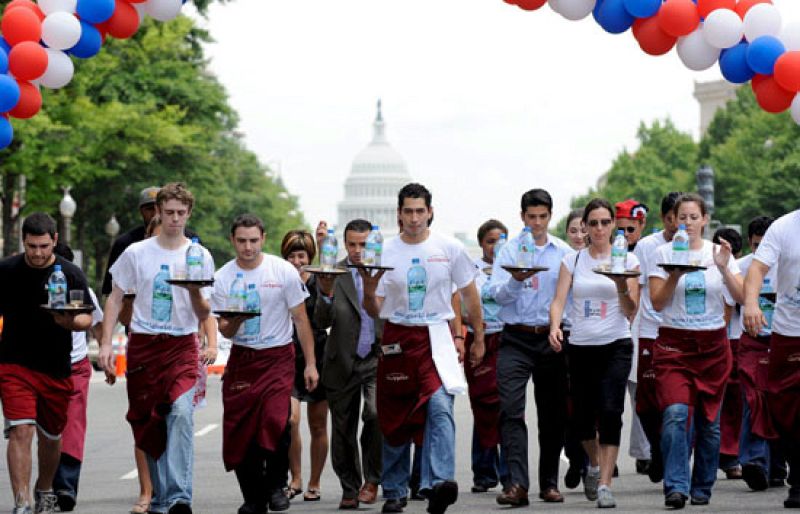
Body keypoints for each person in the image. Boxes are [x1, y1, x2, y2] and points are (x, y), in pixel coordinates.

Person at [360, 182, 485, 514]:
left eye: (420, 211)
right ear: (399, 214)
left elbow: (469, 294)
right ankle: (395, 490)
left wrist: (478, 336)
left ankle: (439, 483)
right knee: (395, 415)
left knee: (440, 407)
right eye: (408, 212)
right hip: (397, 338)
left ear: (430, 212)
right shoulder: (384, 251)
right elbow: (374, 309)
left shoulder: (450, 248)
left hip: (436, 337)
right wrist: (369, 288)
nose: (414, 218)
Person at [99, 182, 216, 514]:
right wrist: (106, 343)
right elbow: (115, 298)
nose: (175, 219)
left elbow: (204, 312)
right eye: (169, 212)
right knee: (148, 423)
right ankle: (162, 498)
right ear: (158, 213)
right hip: (144, 345)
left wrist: (194, 292)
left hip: (181, 345)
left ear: (189, 213)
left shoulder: (199, 256)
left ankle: (179, 496)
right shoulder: (137, 253)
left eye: (181, 213)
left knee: (180, 412)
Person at [212, 214, 319, 514]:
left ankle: (275, 485)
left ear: (263, 239)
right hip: (243, 357)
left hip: (277, 356)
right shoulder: (223, 277)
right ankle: (253, 496)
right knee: (240, 429)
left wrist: (310, 364)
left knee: (277, 420)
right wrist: (236, 320)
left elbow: (301, 320)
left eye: (253, 241)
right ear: (232, 240)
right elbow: (224, 330)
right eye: (242, 241)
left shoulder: (282, 271)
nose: (248, 247)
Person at [649, 193, 743, 509]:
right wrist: (675, 273)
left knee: (709, 423)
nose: (687, 223)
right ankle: (676, 486)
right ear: (673, 220)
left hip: (713, 347)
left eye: (694, 217)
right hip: (674, 347)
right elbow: (657, 302)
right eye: (682, 217)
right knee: (675, 414)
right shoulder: (663, 254)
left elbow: (742, 296)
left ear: (705, 220)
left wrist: (724, 268)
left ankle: (702, 486)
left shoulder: (719, 253)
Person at [549, 198, 640, 508]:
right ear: (585, 227)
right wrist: (554, 326)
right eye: (593, 223)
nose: (599, 229)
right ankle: (594, 463)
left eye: (605, 222)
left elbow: (630, 310)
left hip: (616, 343)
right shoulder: (573, 261)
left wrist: (621, 285)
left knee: (611, 410)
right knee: (582, 418)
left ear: (613, 225)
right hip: (581, 346)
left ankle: (605, 485)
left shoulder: (627, 261)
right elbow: (559, 300)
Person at [0, 212, 93, 514]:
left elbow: (86, 316)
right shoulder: (6, 270)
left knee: (51, 438)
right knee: (21, 430)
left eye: (43, 246)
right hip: (14, 364)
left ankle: (44, 489)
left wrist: (70, 322)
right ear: (23, 242)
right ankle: (22, 501)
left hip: (55, 368)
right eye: (31, 246)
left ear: (54, 240)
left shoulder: (70, 273)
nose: (38, 253)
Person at [490, 189, 572, 506]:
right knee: (511, 409)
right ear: (522, 217)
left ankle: (549, 483)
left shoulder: (563, 252)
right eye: (531, 217)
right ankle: (517, 484)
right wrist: (516, 280)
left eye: (542, 217)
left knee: (553, 413)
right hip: (515, 337)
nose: (537, 223)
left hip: (551, 338)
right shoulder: (509, 251)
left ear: (550, 216)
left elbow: (569, 297)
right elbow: (495, 294)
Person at [314, 219, 384, 510]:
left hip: (376, 359)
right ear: (344, 244)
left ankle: (373, 479)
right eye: (352, 244)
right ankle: (350, 486)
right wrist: (326, 292)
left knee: (376, 414)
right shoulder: (332, 271)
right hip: (341, 360)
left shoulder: (384, 271)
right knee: (343, 429)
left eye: (363, 245)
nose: (357, 250)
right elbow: (321, 321)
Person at [742, 207, 800, 509]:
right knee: (781, 407)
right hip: (788, 332)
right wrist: (751, 303)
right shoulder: (783, 227)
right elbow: (756, 269)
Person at [631, 191, 683, 484]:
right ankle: (657, 447)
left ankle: (671, 455)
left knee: (674, 399)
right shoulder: (647, 247)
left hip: (682, 330)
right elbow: (637, 288)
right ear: (664, 218)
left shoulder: (695, 248)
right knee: (645, 401)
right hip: (651, 330)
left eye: (686, 218)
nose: (679, 224)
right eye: (674, 218)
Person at [50, 243, 105, 512]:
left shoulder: (84, 290)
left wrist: (105, 353)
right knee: (47, 428)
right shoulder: (36, 287)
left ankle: (65, 486)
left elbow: (97, 323)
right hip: (42, 367)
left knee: (72, 426)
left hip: (76, 366)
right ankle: (42, 485)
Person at [732, 216, 783, 492]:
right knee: (754, 399)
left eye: (767, 246)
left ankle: (777, 466)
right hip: (752, 342)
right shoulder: (741, 268)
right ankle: (754, 461)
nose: (761, 252)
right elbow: (728, 302)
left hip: (783, 340)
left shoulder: (788, 265)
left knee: (780, 403)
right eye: (755, 246)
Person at [281, 229, 329, 502]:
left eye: (301, 256)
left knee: (318, 424)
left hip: (318, 355)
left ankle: (314, 482)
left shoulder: (319, 282)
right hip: (287, 355)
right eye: (291, 256)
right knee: (290, 420)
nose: (297, 262)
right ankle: (296, 478)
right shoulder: (280, 280)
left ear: (310, 257)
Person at [462, 219, 509, 494]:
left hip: (507, 340)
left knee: (506, 404)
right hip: (479, 340)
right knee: (483, 403)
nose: (495, 247)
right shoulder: (470, 270)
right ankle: (483, 471)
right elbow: (458, 305)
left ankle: (508, 471)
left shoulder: (514, 269)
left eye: (501, 241)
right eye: (490, 241)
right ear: (481, 243)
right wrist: (474, 326)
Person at [102, 187, 200, 297]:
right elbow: (110, 291)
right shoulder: (126, 244)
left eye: (180, 212)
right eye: (149, 209)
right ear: (141, 211)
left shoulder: (192, 243)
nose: (155, 213)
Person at [615, 198, 651, 475]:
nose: (625, 235)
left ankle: (644, 452)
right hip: (612, 330)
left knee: (641, 395)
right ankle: (606, 456)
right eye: (620, 229)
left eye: (630, 229)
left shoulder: (649, 251)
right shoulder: (608, 252)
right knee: (609, 400)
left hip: (641, 329)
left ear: (642, 224)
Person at [713, 227, 745, 480]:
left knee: (735, 402)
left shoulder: (742, 269)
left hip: (736, 340)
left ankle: (731, 454)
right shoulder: (704, 269)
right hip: (713, 340)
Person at [562, 208, 590, 489]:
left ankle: (593, 460)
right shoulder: (564, 261)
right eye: (574, 231)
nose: (580, 236)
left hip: (596, 338)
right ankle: (575, 457)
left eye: (584, 229)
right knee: (569, 405)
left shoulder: (602, 260)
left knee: (594, 404)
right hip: (567, 336)